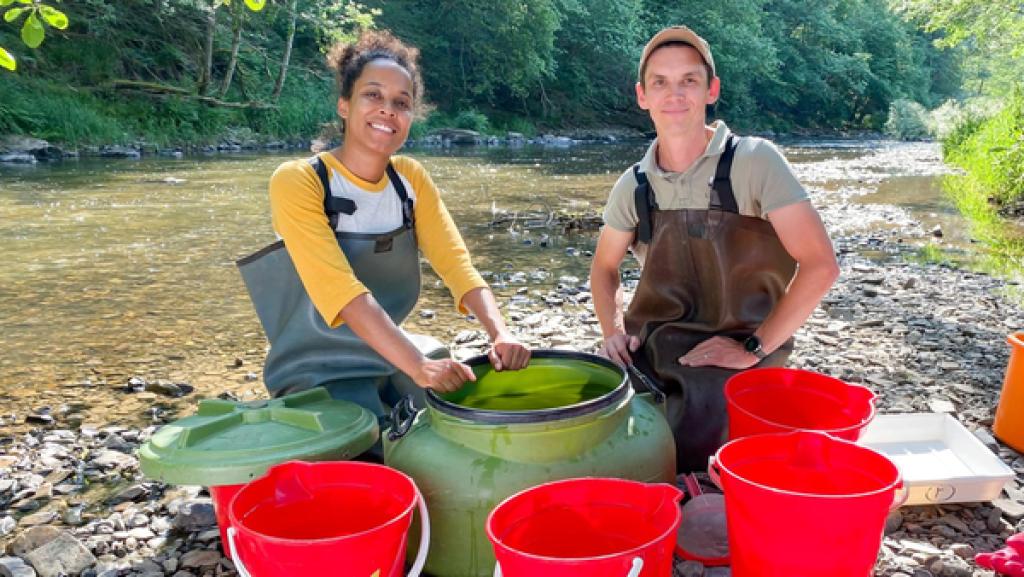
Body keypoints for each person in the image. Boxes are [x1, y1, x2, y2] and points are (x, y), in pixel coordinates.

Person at [238, 29, 530, 419]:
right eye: (373, 95)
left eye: (401, 102)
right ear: (345, 105)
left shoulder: (410, 179)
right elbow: (342, 292)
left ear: (410, 117)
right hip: (314, 370)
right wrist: (419, 366)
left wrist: (500, 332)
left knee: (461, 414)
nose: (387, 110)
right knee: (373, 442)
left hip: (390, 355)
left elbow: (456, 265)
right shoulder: (299, 180)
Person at [589, 25, 840, 472]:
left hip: (745, 347)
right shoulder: (634, 185)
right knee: (591, 420)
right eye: (660, 82)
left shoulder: (755, 161)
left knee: (708, 447)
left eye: (689, 80)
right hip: (657, 349)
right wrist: (612, 332)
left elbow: (821, 265)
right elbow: (604, 269)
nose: (675, 94)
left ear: (712, 90)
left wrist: (753, 349)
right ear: (642, 96)